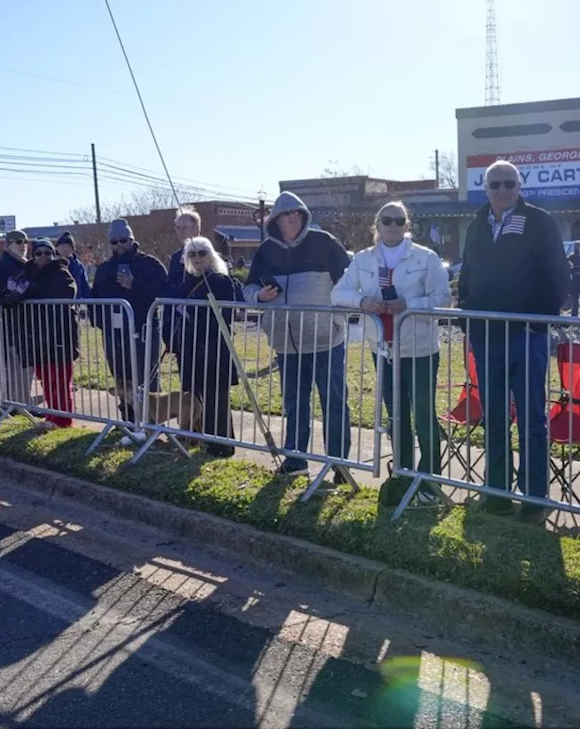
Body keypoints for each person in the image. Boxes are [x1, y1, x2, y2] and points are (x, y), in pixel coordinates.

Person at [457, 160, 569, 518]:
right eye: (495, 184)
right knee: (493, 415)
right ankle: (497, 491)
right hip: (487, 337)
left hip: (526, 335)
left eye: (509, 183)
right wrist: (468, 319)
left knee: (532, 417)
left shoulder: (540, 221)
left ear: (519, 186)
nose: (502, 190)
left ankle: (535, 498)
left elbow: (559, 275)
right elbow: (467, 275)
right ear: (485, 188)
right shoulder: (475, 225)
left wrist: (537, 319)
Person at [332, 201, 452, 504]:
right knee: (397, 415)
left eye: (400, 221)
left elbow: (443, 299)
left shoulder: (427, 257)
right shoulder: (363, 259)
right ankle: (402, 474)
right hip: (383, 350)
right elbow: (338, 293)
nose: (393, 225)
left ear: (407, 225)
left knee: (424, 415)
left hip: (420, 349)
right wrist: (363, 302)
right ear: (377, 224)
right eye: (387, 220)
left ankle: (430, 481)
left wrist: (409, 305)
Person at [244, 192, 353, 480]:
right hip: (286, 343)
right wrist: (259, 295)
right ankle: (295, 460)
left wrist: (337, 317)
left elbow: (350, 281)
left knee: (333, 401)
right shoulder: (266, 251)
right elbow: (247, 289)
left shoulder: (325, 242)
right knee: (293, 403)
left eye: (298, 212)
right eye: (287, 213)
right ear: (276, 220)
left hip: (325, 340)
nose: (293, 216)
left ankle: (340, 465)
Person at [91, 218, 168, 431]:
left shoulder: (149, 264)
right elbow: (94, 296)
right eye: (113, 242)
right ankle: (128, 420)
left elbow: (164, 292)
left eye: (122, 240)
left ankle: (151, 424)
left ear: (131, 239)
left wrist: (134, 285)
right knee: (122, 377)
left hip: (144, 329)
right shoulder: (105, 268)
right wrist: (99, 321)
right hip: (113, 332)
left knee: (146, 378)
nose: (118, 246)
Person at [1, 238, 80, 428]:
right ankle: (51, 417)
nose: (43, 256)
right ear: (33, 255)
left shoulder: (62, 273)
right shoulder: (26, 273)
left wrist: (28, 294)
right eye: (39, 253)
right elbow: (7, 296)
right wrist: (18, 295)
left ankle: (63, 421)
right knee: (45, 380)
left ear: (53, 255)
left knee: (60, 382)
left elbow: (66, 293)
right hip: (36, 336)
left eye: (48, 253)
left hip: (59, 335)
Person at [173, 236, 240, 457]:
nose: (198, 257)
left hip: (215, 348)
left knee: (217, 398)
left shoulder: (221, 280)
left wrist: (199, 315)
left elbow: (228, 315)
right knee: (195, 397)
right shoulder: (186, 281)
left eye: (202, 252)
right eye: (192, 254)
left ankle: (221, 446)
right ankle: (200, 439)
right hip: (191, 349)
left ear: (211, 255)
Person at [0, 230, 35, 404]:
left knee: (23, 368)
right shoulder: (5, 266)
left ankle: (19, 403)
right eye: (18, 241)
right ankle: (18, 405)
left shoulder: (23, 264)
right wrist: (30, 288)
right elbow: (7, 296)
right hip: (12, 325)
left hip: (23, 325)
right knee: (17, 369)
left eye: (25, 241)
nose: (23, 245)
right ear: (7, 245)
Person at [163, 207, 202, 349]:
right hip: (178, 325)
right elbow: (170, 287)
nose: (181, 232)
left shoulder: (207, 254)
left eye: (185, 228)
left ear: (196, 228)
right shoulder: (175, 257)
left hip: (201, 325)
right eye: (178, 228)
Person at [56, 233, 91, 299]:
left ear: (72, 248)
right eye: (62, 246)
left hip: (76, 302)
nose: (65, 249)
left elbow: (84, 285)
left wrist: (89, 302)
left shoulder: (78, 265)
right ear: (57, 248)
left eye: (68, 246)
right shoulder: (54, 264)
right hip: (59, 303)